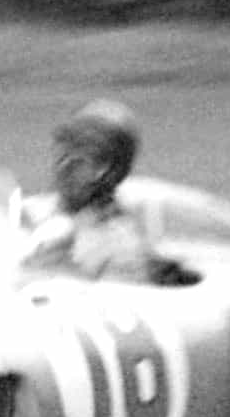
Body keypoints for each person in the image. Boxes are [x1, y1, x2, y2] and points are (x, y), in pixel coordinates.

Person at [20, 99, 165, 282]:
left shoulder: (120, 245)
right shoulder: (28, 210)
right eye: (66, 143)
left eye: (86, 152)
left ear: (111, 170)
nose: (66, 162)